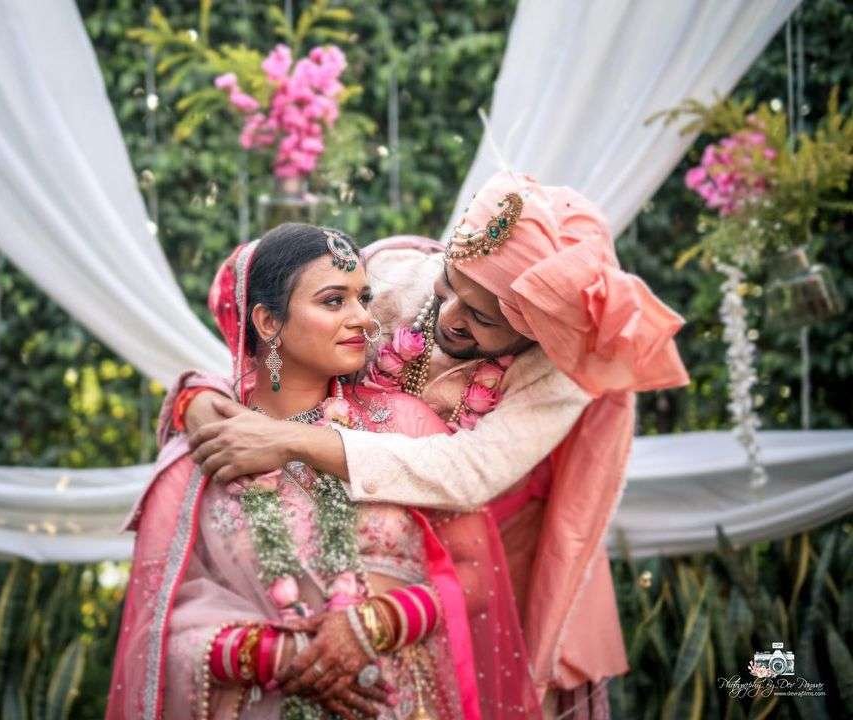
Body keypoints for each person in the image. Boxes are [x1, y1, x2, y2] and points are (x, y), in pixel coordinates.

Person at [176, 172, 690, 718]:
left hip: (492, 551)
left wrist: (296, 442)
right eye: (448, 285)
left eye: (482, 317)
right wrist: (198, 394)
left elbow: (469, 472)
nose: (448, 317)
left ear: (539, 332)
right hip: (343, 537)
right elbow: (276, 337)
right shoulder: (394, 277)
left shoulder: (558, 370)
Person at [106, 223, 541, 720]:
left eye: (364, 298)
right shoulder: (207, 453)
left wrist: (373, 625)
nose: (364, 319)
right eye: (335, 301)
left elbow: (476, 575)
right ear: (268, 321)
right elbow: (160, 626)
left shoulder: (405, 424)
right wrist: (283, 657)